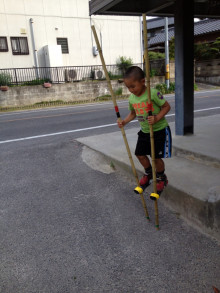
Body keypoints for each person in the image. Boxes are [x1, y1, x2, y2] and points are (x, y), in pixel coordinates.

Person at [117, 66, 172, 195]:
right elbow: (133, 113)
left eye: (133, 86)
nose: (131, 90)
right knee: (139, 154)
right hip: (145, 131)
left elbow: (166, 106)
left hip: (159, 130)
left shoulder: (152, 93)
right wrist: (124, 122)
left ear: (142, 81)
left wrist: (157, 117)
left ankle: (161, 178)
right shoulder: (132, 98)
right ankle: (149, 174)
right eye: (128, 87)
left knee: (155, 157)